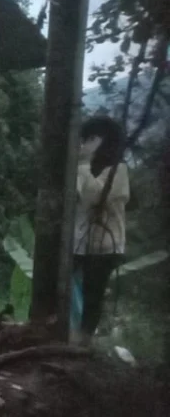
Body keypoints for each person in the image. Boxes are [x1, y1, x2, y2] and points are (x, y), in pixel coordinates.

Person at [73, 115, 129, 343]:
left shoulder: (118, 170)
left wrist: (84, 163)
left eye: (91, 139)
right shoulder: (82, 168)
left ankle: (83, 341)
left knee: (92, 295)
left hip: (104, 246)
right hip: (80, 242)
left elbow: (93, 196)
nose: (85, 143)